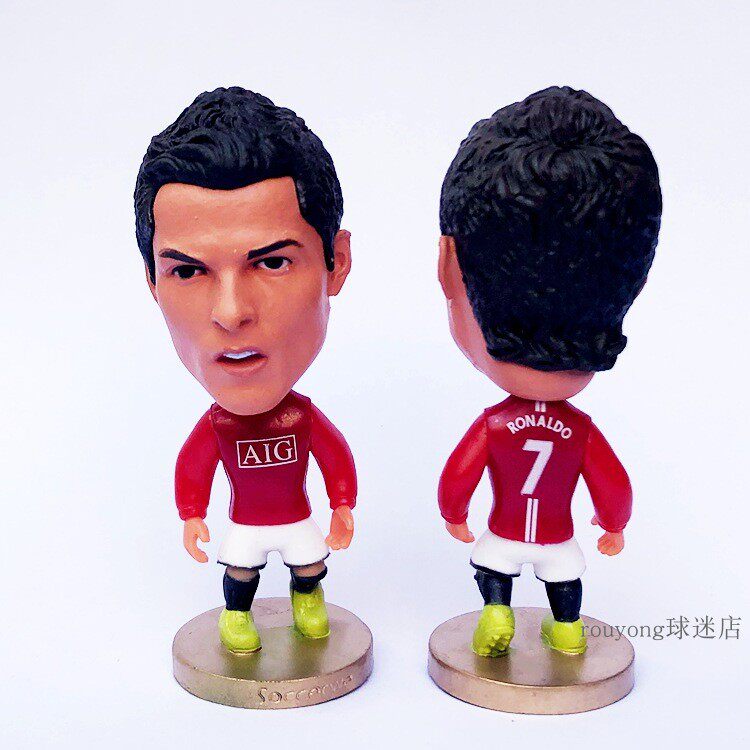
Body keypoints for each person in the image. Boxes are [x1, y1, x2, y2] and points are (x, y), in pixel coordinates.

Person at [437, 86, 662, 656]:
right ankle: (566, 628)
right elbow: (612, 484)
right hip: (559, 538)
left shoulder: (495, 426)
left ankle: (498, 613)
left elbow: (460, 474)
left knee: (493, 569)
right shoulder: (579, 433)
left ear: (448, 265)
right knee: (565, 580)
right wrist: (614, 523)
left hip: (504, 533)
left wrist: (454, 513)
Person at [134, 87, 355, 653]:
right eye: (188, 272)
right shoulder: (218, 428)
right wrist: (192, 514)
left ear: (336, 262)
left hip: (298, 521)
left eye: (273, 262)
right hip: (245, 527)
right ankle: (238, 619)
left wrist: (342, 504)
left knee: (309, 568)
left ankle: (308, 604)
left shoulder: (302, 419)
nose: (231, 313)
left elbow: (334, 458)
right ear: (151, 281)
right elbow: (194, 470)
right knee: (240, 574)